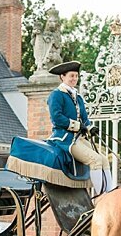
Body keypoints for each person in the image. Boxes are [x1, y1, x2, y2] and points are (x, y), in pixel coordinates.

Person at [47, 61, 115, 195]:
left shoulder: (77, 97)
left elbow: (84, 118)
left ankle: (110, 193)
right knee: (95, 160)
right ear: (62, 77)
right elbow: (57, 118)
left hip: (78, 138)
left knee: (104, 160)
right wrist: (78, 126)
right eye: (71, 76)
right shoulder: (56, 95)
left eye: (76, 76)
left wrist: (90, 127)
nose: (74, 79)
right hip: (64, 139)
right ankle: (100, 196)